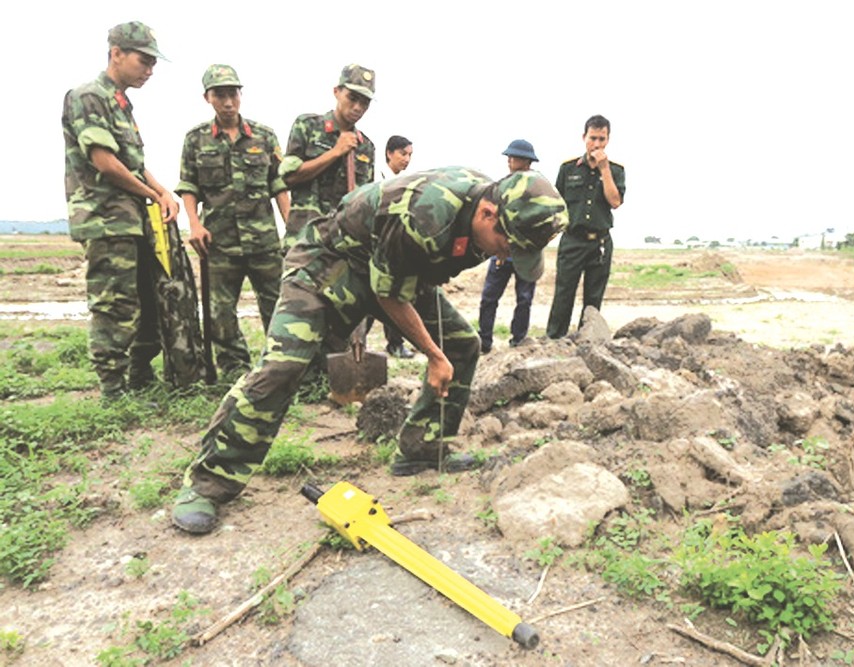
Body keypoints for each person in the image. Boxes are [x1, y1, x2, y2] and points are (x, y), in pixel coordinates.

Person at [171, 168, 568, 534]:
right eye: (507, 245)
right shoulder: (426, 213)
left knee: (463, 345)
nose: (504, 256)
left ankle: (422, 447)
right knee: (283, 366)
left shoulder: (494, 206)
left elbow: (405, 278)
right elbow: (388, 296)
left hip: (390, 270)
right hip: (326, 265)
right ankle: (207, 483)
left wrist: (442, 350)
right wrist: (433, 355)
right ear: (486, 213)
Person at [62, 21, 179, 400]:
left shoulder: (120, 104)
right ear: (116, 53)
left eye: (152, 63)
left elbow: (132, 160)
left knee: (147, 301)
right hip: (105, 220)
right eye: (144, 61)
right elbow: (106, 163)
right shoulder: (87, 96)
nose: (150, 70)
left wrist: (163, 192)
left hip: (131, 222)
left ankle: (140, 377)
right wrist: (151, 194)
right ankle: (113, 392)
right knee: (115, 307)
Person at [176, 64, 289, 380]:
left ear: (241, 95)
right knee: (220, 313)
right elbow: (188, 186)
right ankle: (235, 371)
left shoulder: (264, 137)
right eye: (220, 95)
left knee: (279, 308)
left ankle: (280, 369)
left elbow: (278, 185)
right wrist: (195, 225)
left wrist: (291, 227)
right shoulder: (196, 140)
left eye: (233, 94)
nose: (228, 102)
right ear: (207, 98)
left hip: (264, 241)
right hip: (220, 242)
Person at [279, 63, 377, 248]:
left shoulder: (366, 147)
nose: (358, 107)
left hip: (345, 246)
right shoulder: (307, 126)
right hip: (305, 243)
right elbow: (288, 179)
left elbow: (365, 200)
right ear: (336, 92)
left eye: (365, 103)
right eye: (352, 98)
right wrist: (335, 152)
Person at [545, 115, 626, 339]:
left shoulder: (616, 171)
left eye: (602, 139)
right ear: (584, 138)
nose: (597, 144)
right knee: (563, 294)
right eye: (593, 138)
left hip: (600, 242)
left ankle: (588, 341)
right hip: (573, 240)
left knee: (593, 298)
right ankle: (554, 340)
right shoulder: (568, 168)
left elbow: (615, 202)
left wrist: (604, 169)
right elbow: (556, 205)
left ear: (608, 140)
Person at [477, 139, 540, 353]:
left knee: (524, 299)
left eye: (513, 158)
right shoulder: (501, 186)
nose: (509, 161)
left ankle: (518, 340)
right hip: (500, 252)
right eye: (509, 157)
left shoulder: (537, 188)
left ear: (526, 162)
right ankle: (484, 341)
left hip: (526, 254)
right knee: (489, 298)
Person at [370, 135, 415, 358]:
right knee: (368, 297)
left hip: (394, 247)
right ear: (389, 153)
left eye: (409, 155)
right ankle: (353, 345)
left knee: (395, 294)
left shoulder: (405, 182)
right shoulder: (376, 177)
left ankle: (395, 343)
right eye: (402, 154)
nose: (406, 159)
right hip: (373, 244)